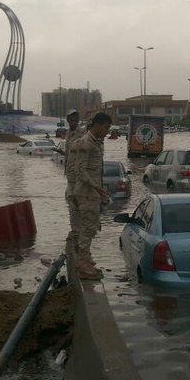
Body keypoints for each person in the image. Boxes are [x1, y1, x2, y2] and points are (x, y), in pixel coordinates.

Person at [73, 111, 112, 279]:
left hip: (93, 193)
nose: (107, 131)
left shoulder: (97, 143)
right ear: (97, 125)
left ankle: (86, 260)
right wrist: (97, 188)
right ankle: (83, 264)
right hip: (86, 193)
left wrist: (99, 191)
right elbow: (80, 170)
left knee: (92, 226)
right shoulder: (86, 143)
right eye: (106, 127)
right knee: (88, 228)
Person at [64, 109, 84, 248]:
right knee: (72, 205)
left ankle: (80, 238)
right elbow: (69, 153)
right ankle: (75, 233)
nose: (73, 122)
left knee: (78, 205)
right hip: (70, 178)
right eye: (71, 119)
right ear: (68, 120)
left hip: (78, 177)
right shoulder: (68, 134)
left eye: (76, 119)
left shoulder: (82, 134)